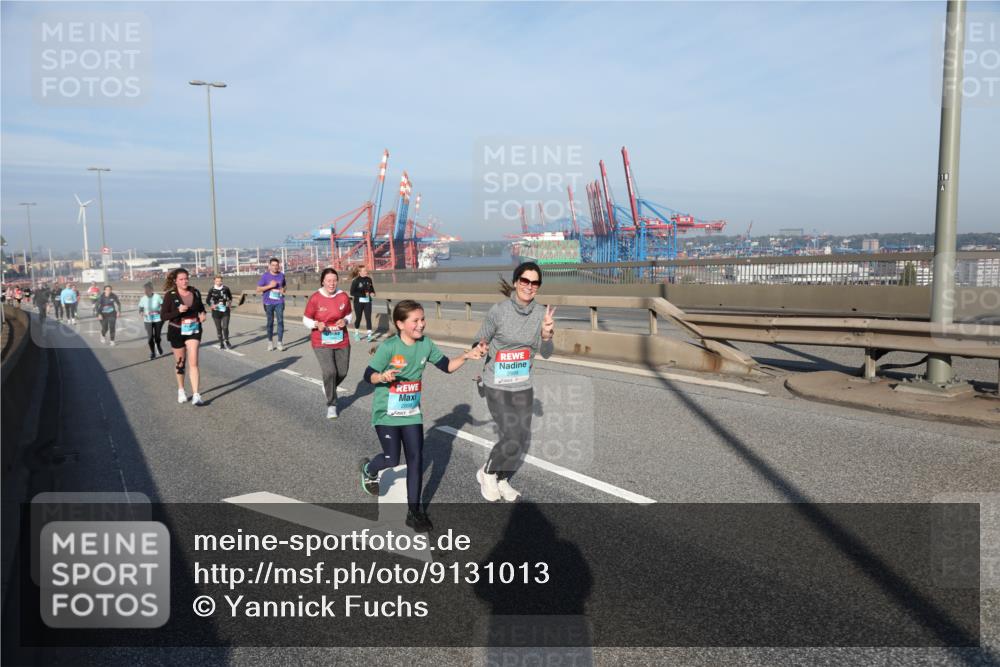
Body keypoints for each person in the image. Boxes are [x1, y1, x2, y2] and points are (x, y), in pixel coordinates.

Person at [359, 300, 487, 532]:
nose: (421, 324)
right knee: (391, 460)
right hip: (386, 413)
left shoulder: (426, 344)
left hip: (411, 414)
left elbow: (447, 366)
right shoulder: (389, 347)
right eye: (415, 321)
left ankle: (414, 511)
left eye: (422, 319)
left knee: (416, 460)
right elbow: (369, 375)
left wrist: (467, 356)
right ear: (400, 324)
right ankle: (369, 470)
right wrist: (383, 377)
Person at [473, 262, 556, 503]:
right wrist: (480, 347)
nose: (529, 286)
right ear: (516, 281)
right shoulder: (498, 311)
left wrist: (547, 334)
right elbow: (479, 338)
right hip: (496, 382)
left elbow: (548, 352)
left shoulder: (542, 313)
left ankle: (502, 478)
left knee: (520, 437)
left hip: (522, 383)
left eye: (535, 283)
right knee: (510, 433)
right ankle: (487, 472)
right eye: (525, 281)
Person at [302, 268, 353, 419]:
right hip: (321, 340)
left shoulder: (343, 296)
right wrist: (316, 324)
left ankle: (328, 386)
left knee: (342, 372)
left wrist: (345, 321)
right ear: (323, 281)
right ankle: (332, 404)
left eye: (334, 280)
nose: (332, 283)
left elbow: (349, 314)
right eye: (328, 280)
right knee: (330, 371)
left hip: (341, 338)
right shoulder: (315, 298)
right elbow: (306, 319)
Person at [160, 268, 207, 406]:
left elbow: (201, 308)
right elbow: (163, 316)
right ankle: (181, 390)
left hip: (193, 330)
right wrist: (177, 311)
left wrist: (203, 314)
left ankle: (196, 394)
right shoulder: (170, 295)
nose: (185, 281)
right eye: (181, 279)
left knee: (194, 362)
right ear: (175, 281)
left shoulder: (195, 291)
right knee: (181, 363)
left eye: (186, 278)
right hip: (176, 331)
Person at [255, 257, 286, 351]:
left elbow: (284, 286)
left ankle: (280, 343)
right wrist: (270, 286)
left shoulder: (281, 275)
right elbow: (258, 289)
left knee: (280, 321)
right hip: (268, 302)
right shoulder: (265, 276)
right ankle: (270, 342)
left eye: (277, 265)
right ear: (269, 266)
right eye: (273, 265)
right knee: (270, 322)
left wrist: (283, 290)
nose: (275, 267)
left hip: (279, 301)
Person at [206, 275, 234, 350]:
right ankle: (221, 343)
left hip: (225, 310)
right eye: (217, 281)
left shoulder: (226, 288)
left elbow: (230, 297)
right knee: (219, 328)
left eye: (220, 281)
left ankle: (227, 341)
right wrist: (212, 305)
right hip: (216, 311)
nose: (219, 282)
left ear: (222, 281)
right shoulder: (211, 290)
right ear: (214, 281)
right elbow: (207, 300)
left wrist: (229, 303)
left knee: (225, 327)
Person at [349, 265, 376, 341]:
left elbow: (372, 289)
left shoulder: (369, 279)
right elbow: (352, 292)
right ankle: (356, 333)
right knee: (359, 318)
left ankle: (369, 335)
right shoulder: (356, 280)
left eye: (366, 270)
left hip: (367, 301)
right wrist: (362, 295)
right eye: (364, 271)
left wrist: (372, 293)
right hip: (358, 302)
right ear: (359, 272)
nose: (366, 272)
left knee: (368, 317)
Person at [138, 282, 164, 359]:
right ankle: (152, 352)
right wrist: (141, 312)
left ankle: (158, 345)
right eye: (145, 290)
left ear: (151, 290)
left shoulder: (157, 297)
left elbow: (163, 306)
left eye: (148, 289)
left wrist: (160, 312)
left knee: (157, 337)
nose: (146, 291)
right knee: (150, 338)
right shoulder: (143, 298)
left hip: (158, 319)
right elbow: (140, 308)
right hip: (148, 320)